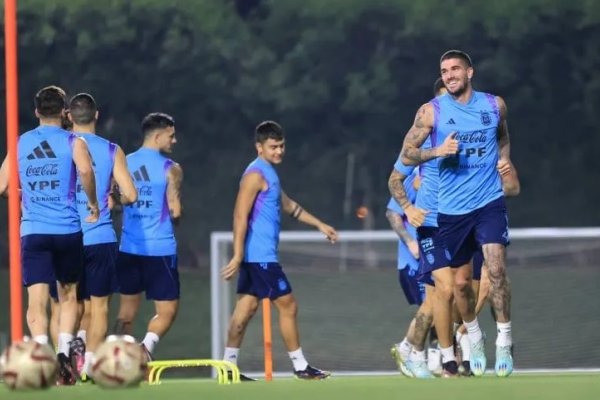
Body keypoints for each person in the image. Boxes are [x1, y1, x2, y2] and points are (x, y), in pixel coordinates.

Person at [399, 50, 515, 377]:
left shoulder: (494, 106)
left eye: (454, 69)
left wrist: (503, 159)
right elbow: (407, 154)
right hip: (452, 211)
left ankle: (504, 341)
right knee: (461, 285)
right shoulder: (431, 112)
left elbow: (503, 136)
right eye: (444, 71)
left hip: (489, 202)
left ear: (469, 72)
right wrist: (438, 150)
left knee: (495, 268)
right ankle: (473, 337)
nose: (449, 75)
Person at [220, 120, 338, 381]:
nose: (279, 151)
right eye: (273, 147)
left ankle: (228, 368)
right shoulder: (255, 175)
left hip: (258, 258)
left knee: (245, 309)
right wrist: (238, 255)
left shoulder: (269, 173)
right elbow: (239, 215)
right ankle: (300, 366)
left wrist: (320, 225)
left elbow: (289, 206)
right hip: (260, 257)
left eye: (282, 146)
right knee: (289, 305)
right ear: (259, 147)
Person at [0, 85, 99, 385]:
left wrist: (26, 194)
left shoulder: (20, 143)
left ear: (36, 112)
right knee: (69, 295)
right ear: (65, 112)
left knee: (37, 299)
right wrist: (92, 202)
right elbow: (84, 171)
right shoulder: (73, 140)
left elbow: (3, 187)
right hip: (68, 229)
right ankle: (63, 351)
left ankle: (41, 352)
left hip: (33, 231)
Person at [67, 93, 138, 379]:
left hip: (67, 235)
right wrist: (116, 198)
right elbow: (131, 194)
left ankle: (69, 357)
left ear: (69, 117)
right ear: (96, 115)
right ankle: (90, 366)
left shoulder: (63, 144)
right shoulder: (111, 149)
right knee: (99, 307)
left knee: (70, 304)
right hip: (100, 238)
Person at [113, 112, 182, 360]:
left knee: (126, 312)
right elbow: (175, 211)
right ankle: (146, 349)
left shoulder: (123, 162)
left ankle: (116, 359)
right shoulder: (171, 169)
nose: (174, 141)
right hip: (159, 250)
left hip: (129, 248)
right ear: (158, 135)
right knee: (168, 310)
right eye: (171, 136)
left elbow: (114, 201)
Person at [388, 169, 436, 379]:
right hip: (415, 262)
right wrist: (410, 242)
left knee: (444, 304)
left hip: (437, 254)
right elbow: (392, 212)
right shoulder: (417, 175)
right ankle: (409, 350)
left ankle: (437, 361)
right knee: (432, 306)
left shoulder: (447, 175)